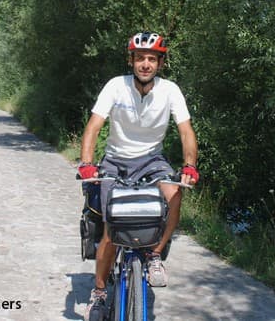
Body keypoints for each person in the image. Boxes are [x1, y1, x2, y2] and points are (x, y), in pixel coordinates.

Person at [77, 31, 199, 320]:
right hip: (116, 160)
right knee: (111, 223)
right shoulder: (115, 86)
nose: (146, 64)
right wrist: (86, 163)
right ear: (131, 60)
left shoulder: (170, 90)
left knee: (175, 193)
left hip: (151, 160)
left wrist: (190, 166)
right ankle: (99, 291)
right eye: (140, 58)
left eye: (152, 59)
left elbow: (186, 131)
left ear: (160, 63)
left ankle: (154, 254)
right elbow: (94, 126)